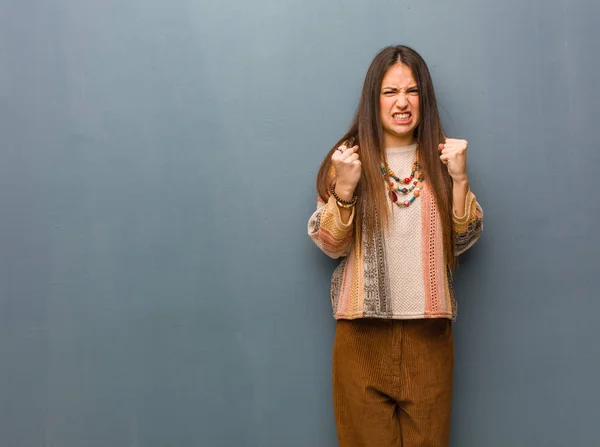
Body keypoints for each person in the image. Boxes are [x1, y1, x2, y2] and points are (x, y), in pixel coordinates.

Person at [307, 45, 483, 446]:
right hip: (360, 337)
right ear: (374, 99)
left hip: (430, 337)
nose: (402, 102)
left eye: (412, 90)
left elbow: (465, 240)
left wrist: (460, 182)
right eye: (390, 92)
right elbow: (330, 244)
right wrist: (346, 190)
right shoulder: (347, 161)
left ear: (425, 98)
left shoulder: (443, 160)